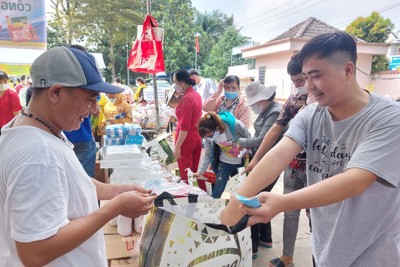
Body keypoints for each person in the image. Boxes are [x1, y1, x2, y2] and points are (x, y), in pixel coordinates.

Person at [221, 31, 400, 267]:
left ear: (348, 70)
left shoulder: (388, 119)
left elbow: (357, 180)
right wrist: (235, 203)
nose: (309, 86)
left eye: (316, 76)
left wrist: (281, 203)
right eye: (305, 77)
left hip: (372, 254)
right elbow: (278, 154)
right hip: (323, 246)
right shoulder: (310, 115)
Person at [0, 46, 156, 267]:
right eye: (90, 99)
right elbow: (35, 252)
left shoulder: (35, 129)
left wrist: (115, 191)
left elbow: (70, 182)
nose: (94, 110)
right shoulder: (38, 153)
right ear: (56, 92)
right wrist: (115, 207)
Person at [243, 54, 312, 267]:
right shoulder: (293, 101)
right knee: (290, 213)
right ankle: (287, 257)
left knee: (317, 215)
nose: (301, 86)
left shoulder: (323, 101)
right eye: (296, 82)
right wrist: (256, 160)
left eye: (303, 80)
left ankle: (320, 258)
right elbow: (275, 132)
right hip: (292, 166)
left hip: (315, 169)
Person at [236, 81, 283, 259]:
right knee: (262, 199)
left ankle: (252, 248)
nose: (253, 106)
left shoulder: (275, 112)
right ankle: (266, 238)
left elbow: (261, 140)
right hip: (263, 160)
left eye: (255, 102)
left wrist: (240, 143)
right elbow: (257, 137)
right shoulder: (267, 111)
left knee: (253, 201)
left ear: (262, 100)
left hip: (270, 163)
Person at [193, 111, 251, 198]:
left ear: (216, 128)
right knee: (218, 190)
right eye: (206, 136)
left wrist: (243, 145)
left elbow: (249, 138)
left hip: (242, 161)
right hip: (225, 162)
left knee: (241, 189)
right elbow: (208, 154)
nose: (208, 138)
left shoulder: (234, 125)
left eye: (209, 135)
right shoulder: (207, 136)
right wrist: (201, 172)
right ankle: (214, 208)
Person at [172, 69, 204, 190]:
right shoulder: (196, 95)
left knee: (186, 173)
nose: (174, 85)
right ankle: (200, 196)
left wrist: (177, 146)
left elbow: (185, 127)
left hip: (186, 140)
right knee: (195, 171)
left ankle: (190, 198)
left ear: (182, 82)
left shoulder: (187, 98)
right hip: (196, 137)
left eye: (175, 82)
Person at [0, 71, 22, 135]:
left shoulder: (12, 95)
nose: (3, 84)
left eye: (5, 82)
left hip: (8, 127)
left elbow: (17, 115)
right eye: (0, 82)